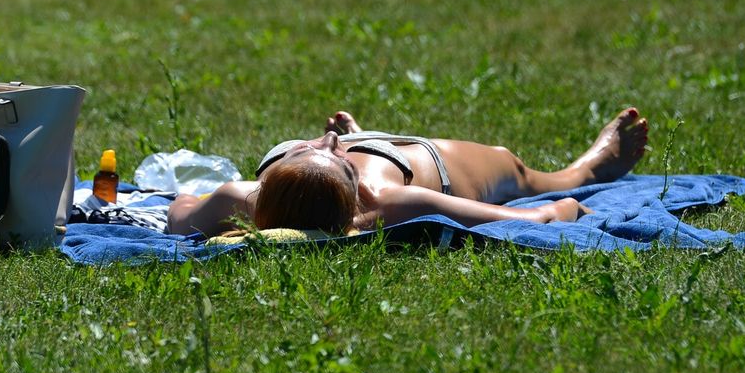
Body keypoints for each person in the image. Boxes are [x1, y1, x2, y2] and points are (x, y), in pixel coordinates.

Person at [167, 108, 649, 237]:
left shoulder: (242, 197)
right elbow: (529, 219)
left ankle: (365, 133)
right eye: (332, 152)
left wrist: (220, 217)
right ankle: (586, 168)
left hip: (332, 180)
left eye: (311, 147)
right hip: (426, 162)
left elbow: (177, 215)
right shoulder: (392, 204)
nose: (330, 140)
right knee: (518, 171)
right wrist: (564, 205)